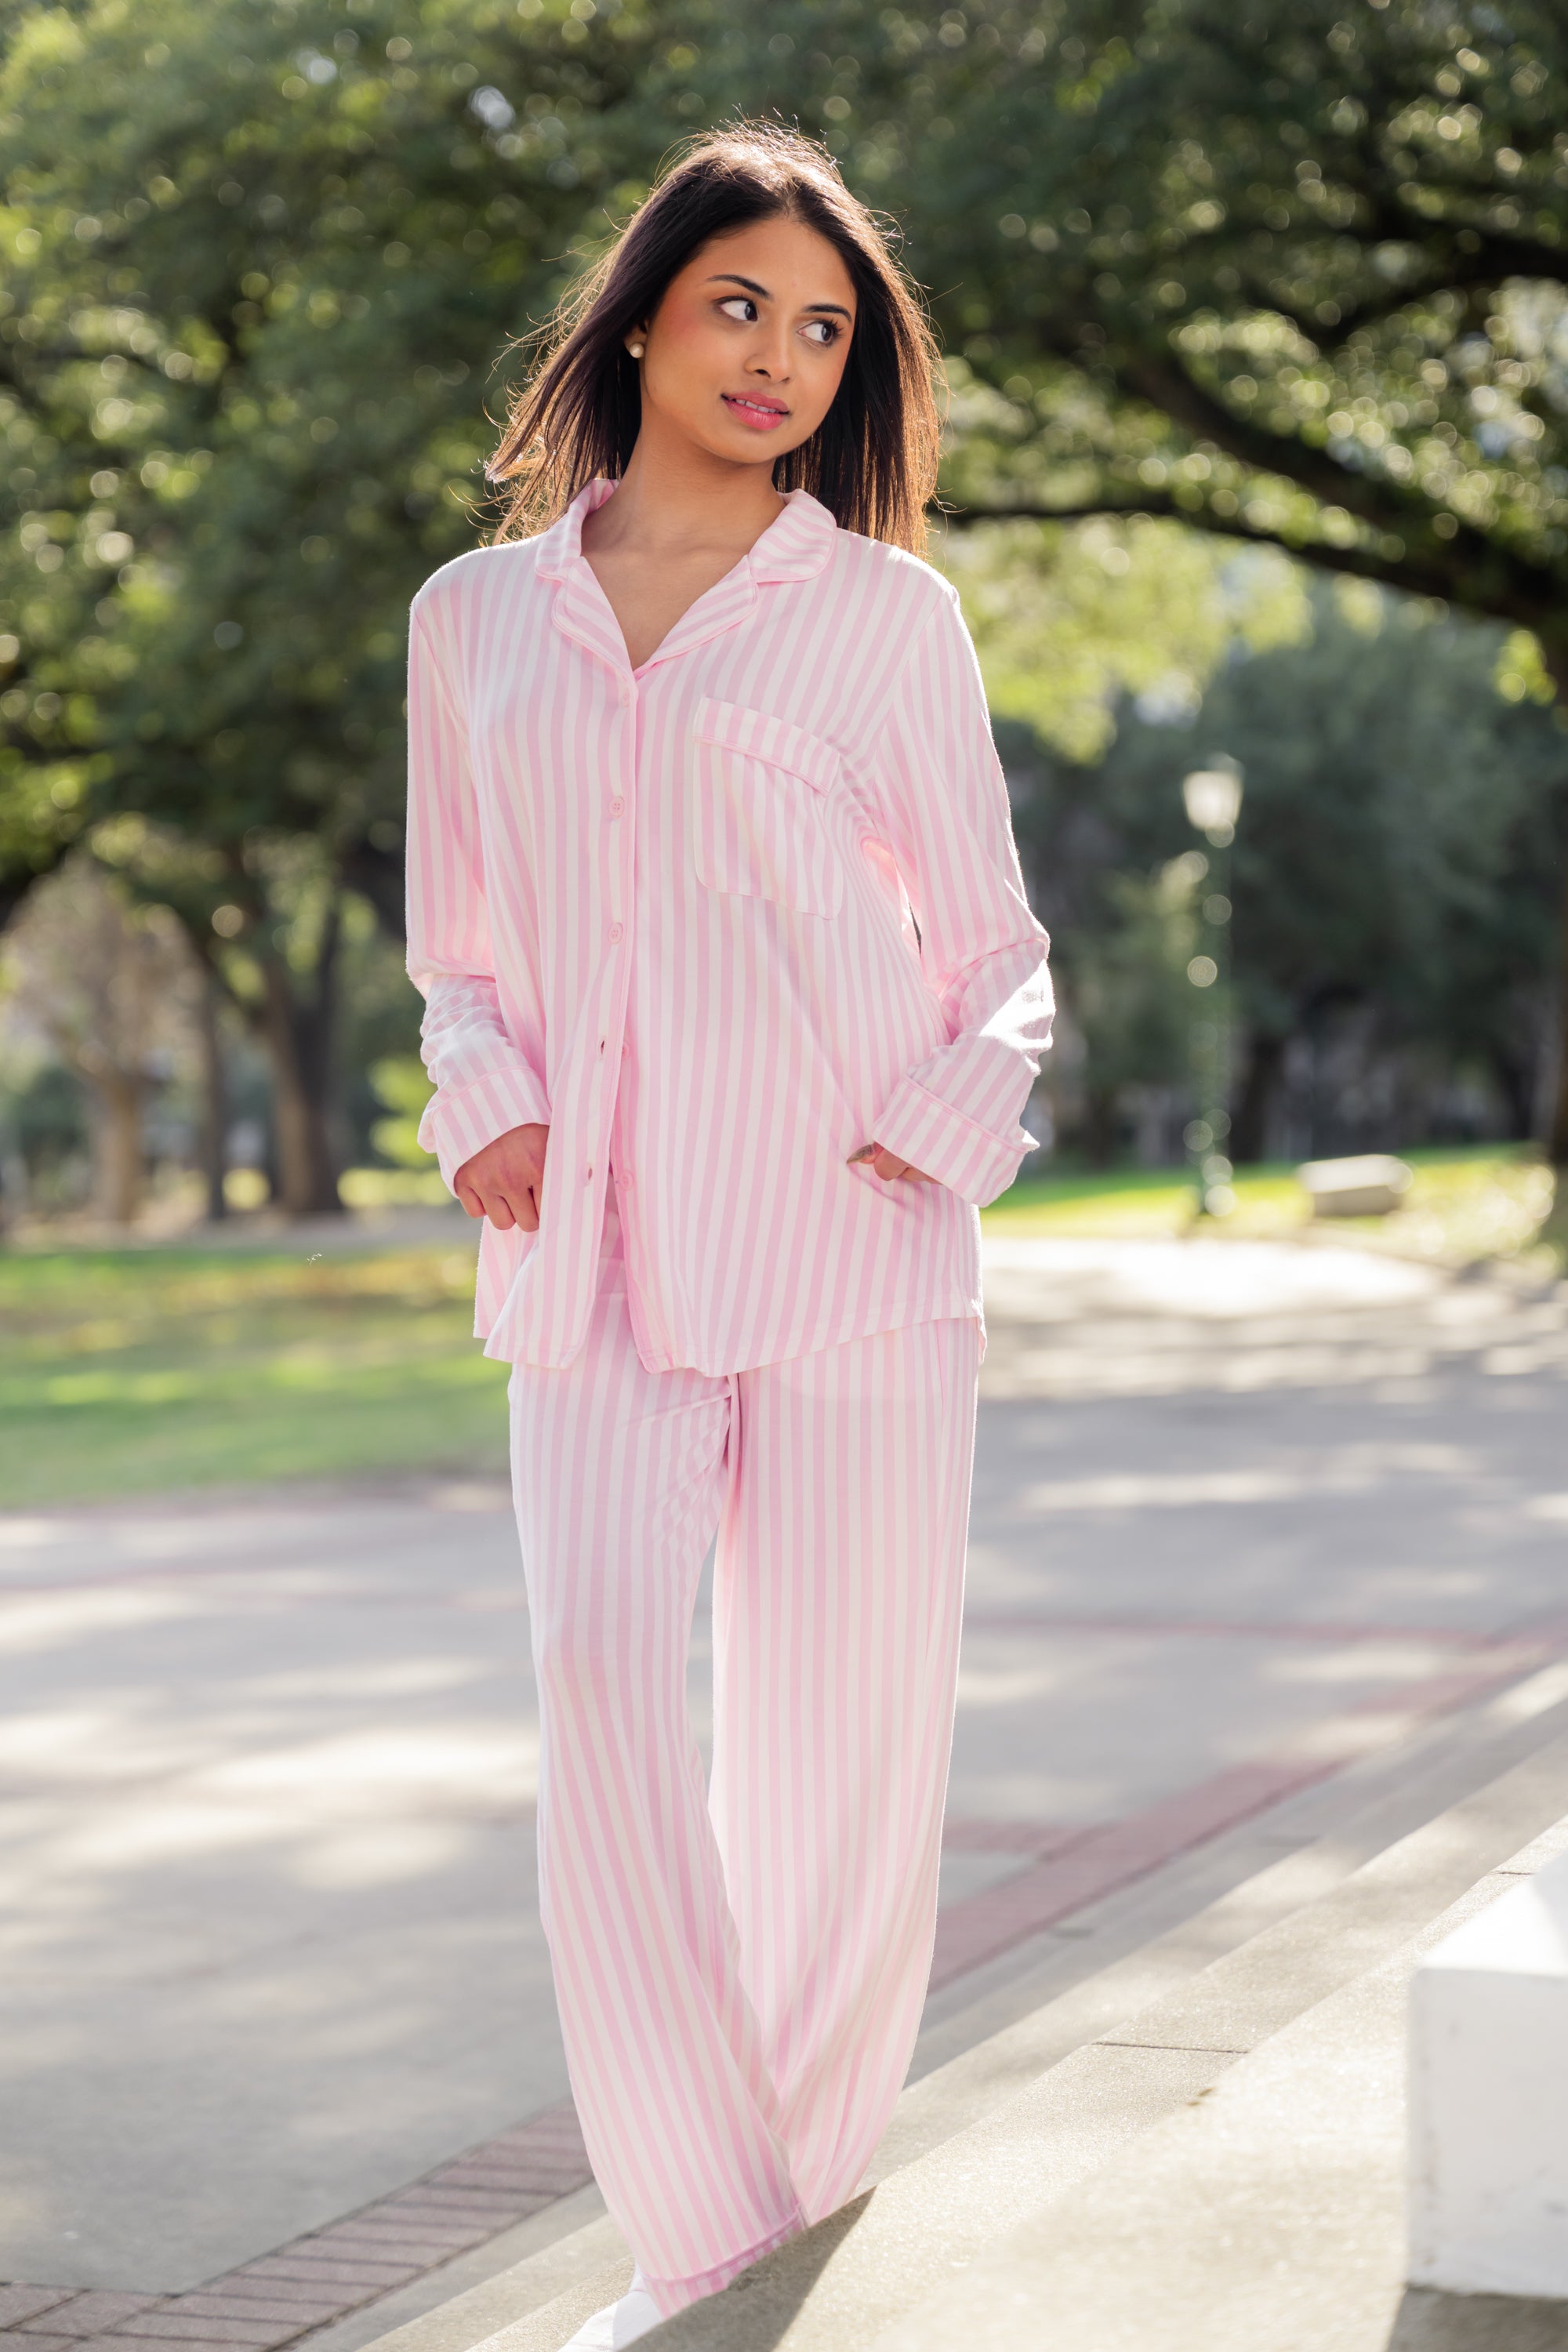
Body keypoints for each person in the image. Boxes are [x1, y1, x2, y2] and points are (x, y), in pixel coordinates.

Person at [404, 124, 1053, 2351]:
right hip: (584, 1264)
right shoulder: (471, 622)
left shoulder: (883, 620)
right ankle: (713, 2218)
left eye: (825, 325)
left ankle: (780, 2210)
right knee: (601, 1689)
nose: (780, 355)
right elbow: (455, 951)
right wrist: (477, 1099)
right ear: (646, 315)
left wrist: (944, 1123)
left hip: (857, 1247)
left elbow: (997, 950)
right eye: (739, 306)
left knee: (841, 1758)